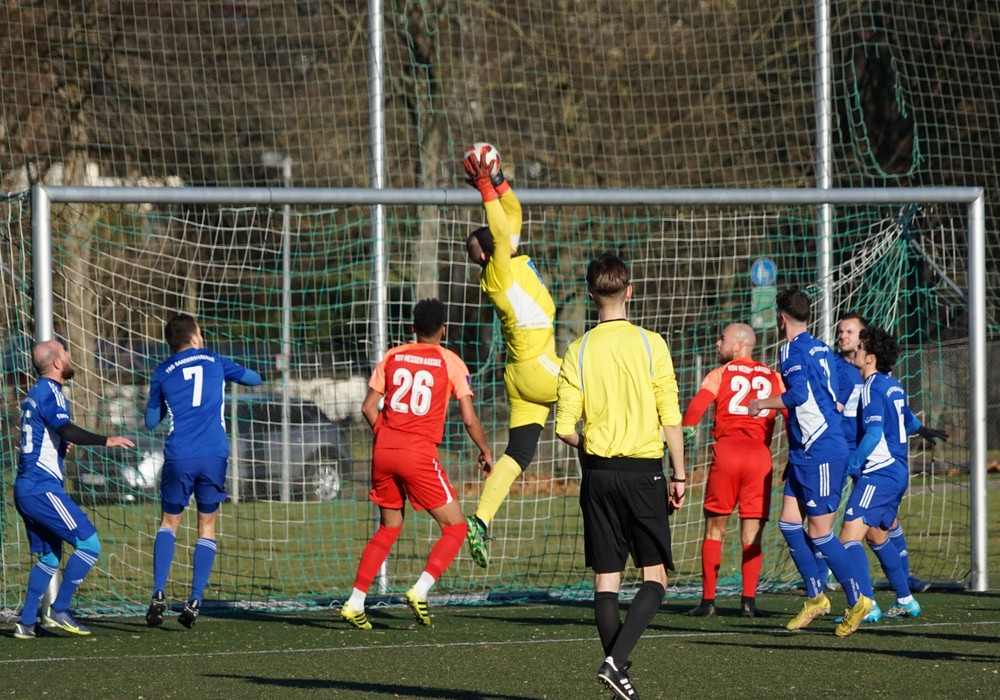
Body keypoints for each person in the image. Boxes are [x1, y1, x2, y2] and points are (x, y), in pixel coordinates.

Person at [555, 254, 685, 700]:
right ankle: (615, 663)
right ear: (629, 291)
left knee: (606, 580)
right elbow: (670, 416)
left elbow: (563, 428)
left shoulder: (578, 349)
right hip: (643, 472)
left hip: (598, 476)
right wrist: (680, 474)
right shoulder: (651, 344)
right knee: (655, 578)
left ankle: (618, 678)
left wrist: (591, 444)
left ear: (592, 295)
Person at [340, 299, 493, 629]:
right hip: (418, 453)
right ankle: (420, 589)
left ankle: (355, 602)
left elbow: (368, 408)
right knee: (456, 528)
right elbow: (468, 417)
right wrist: (484, 450)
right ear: (444, 330)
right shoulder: (450, 362)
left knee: (389, 527)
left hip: (383, 450)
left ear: (413, 329)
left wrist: (386, 438)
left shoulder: (393, 356)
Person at [748, 289, 872, 637]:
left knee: (819, 532)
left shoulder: (790, 349)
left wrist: (762, 403)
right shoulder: (821, 347)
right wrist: (836, 404)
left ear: (781, 318)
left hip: (821, 452)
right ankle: (816, 598)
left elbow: (799, 394)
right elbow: (845, 381)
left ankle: (857, 600)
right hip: (804, 452)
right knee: (789, 524)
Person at [462, 144, 562, 568]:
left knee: (518, 454)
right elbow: (501, 231)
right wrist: (485, 188)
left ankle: (480, 520)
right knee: (600, 382)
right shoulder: (498, 269)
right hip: (539, 367)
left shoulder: (509, 257)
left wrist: (498, 180)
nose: (496, 231)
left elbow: (513, 213)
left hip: (521, 376)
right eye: (487, 237)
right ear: (487, 254)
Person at [143, 314, 263, 629]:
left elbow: (151, 422)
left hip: (179, 455)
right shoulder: (215, 360)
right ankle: (195, 599)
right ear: (195, 337)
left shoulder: (162, 371)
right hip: (213, 455)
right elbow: (255, 379)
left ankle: (158, 592)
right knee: (206, 526)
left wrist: (167, 400)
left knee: (169, 522)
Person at [13, 339, 136, 638]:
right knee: (89, 544)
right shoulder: (51, 390)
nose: (69, 356)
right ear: (57, 363)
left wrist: (59, 445)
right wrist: (105, 440)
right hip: (41, 488)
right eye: (65, 352)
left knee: (49, 558)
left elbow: (45, 437)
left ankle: (26, 623)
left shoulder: (33, 394)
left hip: (27, 488)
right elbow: (66, 428)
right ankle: (60, 608)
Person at [837, 327, 946, 621]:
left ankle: (867, 605)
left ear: (870, 358)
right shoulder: (893, 385)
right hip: (898, 472)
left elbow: (873, 434)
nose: (855, 351)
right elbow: (907, 420)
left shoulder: (871, 387)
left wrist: (851, 465)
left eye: (860, 347)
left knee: (848, 538)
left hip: (879, 474)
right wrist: (923, 429)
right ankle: (905, 600)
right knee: (877, 536)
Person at [683, 323, 785, 618]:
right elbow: (791, 414)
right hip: (759, 458)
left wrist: (684, 439)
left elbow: (694, 411)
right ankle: (748, 602)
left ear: (739, 344)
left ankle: (708, 602)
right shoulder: (773, 376)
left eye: (723, 338)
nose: (718, 343)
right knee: (752, 536)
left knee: (714, 530)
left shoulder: (721, 373)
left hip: (727, 454)